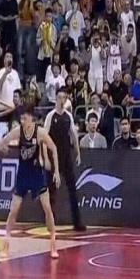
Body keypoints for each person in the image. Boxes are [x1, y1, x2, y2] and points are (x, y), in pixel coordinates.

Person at [0, 105, 61, 258]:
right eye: (21, 118)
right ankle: (6, 242)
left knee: (47, 209)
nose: (22, 121)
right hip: (22, 175)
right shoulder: (18, 131)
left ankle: (53, 242)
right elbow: (3, 141)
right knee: (13, 210)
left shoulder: (40, 132)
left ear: (31, 119)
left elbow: (54, 148)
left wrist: (57, 172)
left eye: (25, 118)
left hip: (37, 175)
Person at [44, 87, 85, 231]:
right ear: (56, 99)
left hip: (66, 155)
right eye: (60, 97)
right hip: (53, 156)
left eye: (64, 98)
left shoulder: (68, 116)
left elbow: (73, 135)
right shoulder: (50, 116)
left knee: (72, 188)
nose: (62, 100)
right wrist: (46, 158)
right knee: (51, 190)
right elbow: (44, 137)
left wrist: (78, 152)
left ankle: (77, 222)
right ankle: (50, 221)